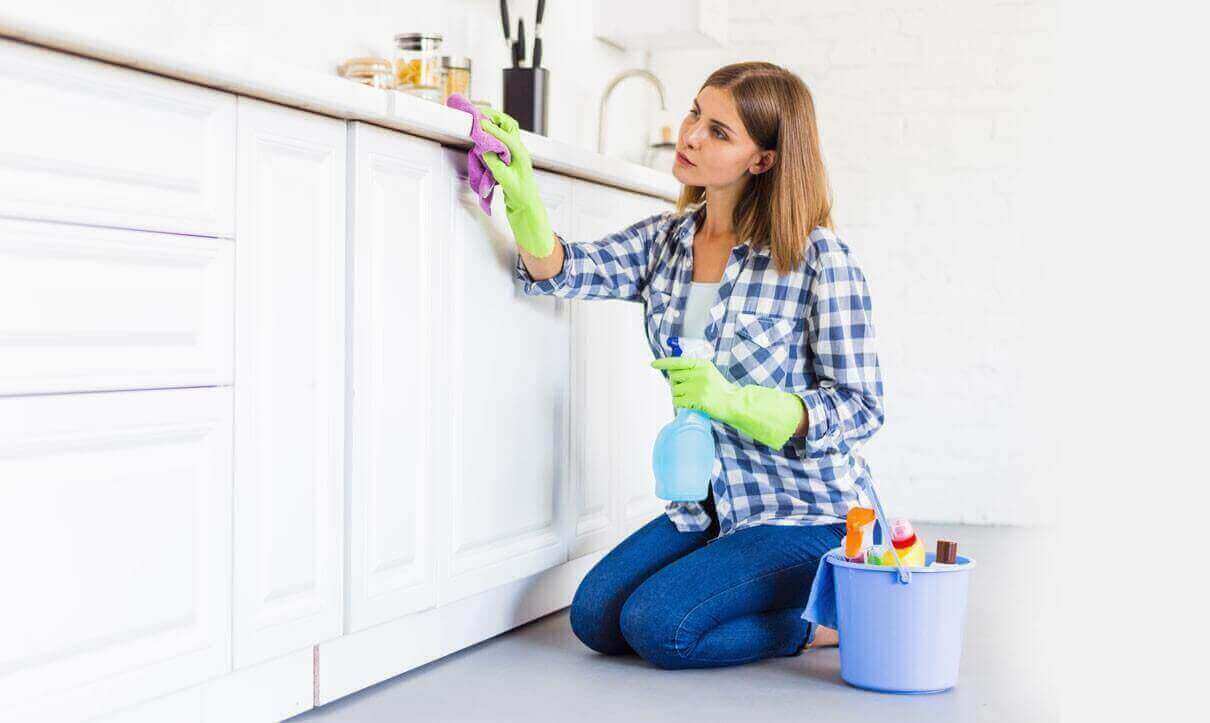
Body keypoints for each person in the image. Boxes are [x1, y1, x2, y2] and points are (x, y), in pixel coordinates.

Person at [480, 61, 885, 670]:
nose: (691, 135)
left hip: (811, 514)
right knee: (594, 617)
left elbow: (861, 407)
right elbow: (566, 269)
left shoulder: (818, 257)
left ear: (764, 160)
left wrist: (734, 402)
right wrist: (522, 196)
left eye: (719, 132)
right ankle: (763, 593)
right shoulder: (667, 242)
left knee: (659, 627)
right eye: (696, 113)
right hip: (711, 505)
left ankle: (830, 621)